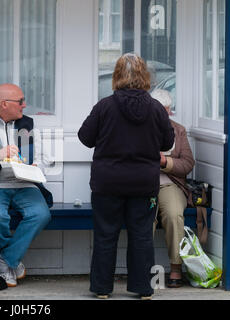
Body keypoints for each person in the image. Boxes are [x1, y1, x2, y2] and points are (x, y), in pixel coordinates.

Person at [78, 53, 175, 300]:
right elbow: (167, 141)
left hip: (107, 182)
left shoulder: (104, 106)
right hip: (144, 183)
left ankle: (102, 289)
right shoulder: (156, 108)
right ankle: (143, 289)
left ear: (117, 75)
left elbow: (85, 137)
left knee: (105, 234)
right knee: (142, 236)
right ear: (145, 76)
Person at [0, 83, 52, 287]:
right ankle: (9, 257)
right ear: (4, 104)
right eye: (20, 101)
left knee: (41, 214)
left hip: (25, 183)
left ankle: (4, 258)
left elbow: (44, 159)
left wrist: (37, 166)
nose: (24, 105)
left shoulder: (28, 124)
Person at [150, 89, 195, 288]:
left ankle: (176, 268)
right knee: (143, 216)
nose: (163, 114)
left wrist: (164, 161)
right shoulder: (140, 128)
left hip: (171, 183)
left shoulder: (178, 130)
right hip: (144, 184)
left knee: (174, 213)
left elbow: (187, 164)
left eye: (166, 110)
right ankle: (143, 268)